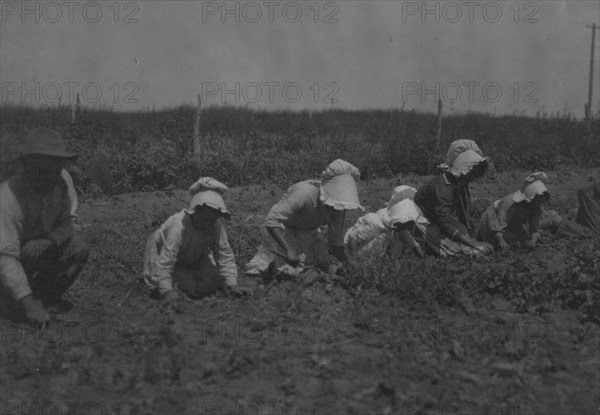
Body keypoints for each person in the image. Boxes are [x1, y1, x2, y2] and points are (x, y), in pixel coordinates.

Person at [0, 128, 88, 325]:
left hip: (36, 248)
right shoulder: (8, 197)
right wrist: (27, 303)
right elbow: (5, 256)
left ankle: (45, 296)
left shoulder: (61, 184)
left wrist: (47, 241)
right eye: (46, 168)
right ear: (28, 166)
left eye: (57, 167)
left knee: (78, 249)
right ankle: (21, 300)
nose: (53, 174)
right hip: (7, 257)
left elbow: (67, 223)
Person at [245, 159, 363, 276]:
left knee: (318, 264)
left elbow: (334, 242)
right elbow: (271, 220)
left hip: (308, 233)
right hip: (282, 230)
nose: (335, 209)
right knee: (266, 268)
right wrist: (289, 248)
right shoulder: (304, 194)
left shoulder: (338, 208)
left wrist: (349, 263)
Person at [143, 177, 251, 302]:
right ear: (193, 213)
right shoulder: (178, 228)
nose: (207, 224)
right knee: (169, 287)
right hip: (161, 255)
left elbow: (224, 255)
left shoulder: (215, 226)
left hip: (194, 257)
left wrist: (232, 284)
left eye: (212, 220)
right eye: (204, 220)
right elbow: (166, 260)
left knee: (215, 281)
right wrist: (166, 290)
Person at [414, 139, 493, 257]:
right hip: (424, 222)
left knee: (466, 235)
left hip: (438, 220)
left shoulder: (460, 184)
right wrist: (473, 243)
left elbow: (464, 212)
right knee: (468, 251)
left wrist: (472, 237)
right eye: (471, 172)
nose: (472, 177)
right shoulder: (442, 186)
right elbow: (443, 220)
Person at [344, 185, 427, 271]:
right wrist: (355, 263)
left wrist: (422, 257)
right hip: (358, 258)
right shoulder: (374, 223)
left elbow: (411, 242)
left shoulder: (396, 227)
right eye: (408, 223)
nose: (409, 226)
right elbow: (352, 239)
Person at [478, 172, 550, 249]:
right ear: (529, 198)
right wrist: (501, 241)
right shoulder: (510, 202)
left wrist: (533, 241)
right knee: (508, 242)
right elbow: (499, 225)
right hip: (491, 225)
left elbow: (534, 229)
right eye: (535, 202)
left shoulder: (535, 207)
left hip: (511, 226)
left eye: (539, 202)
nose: (537, 205)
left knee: (524, 238)